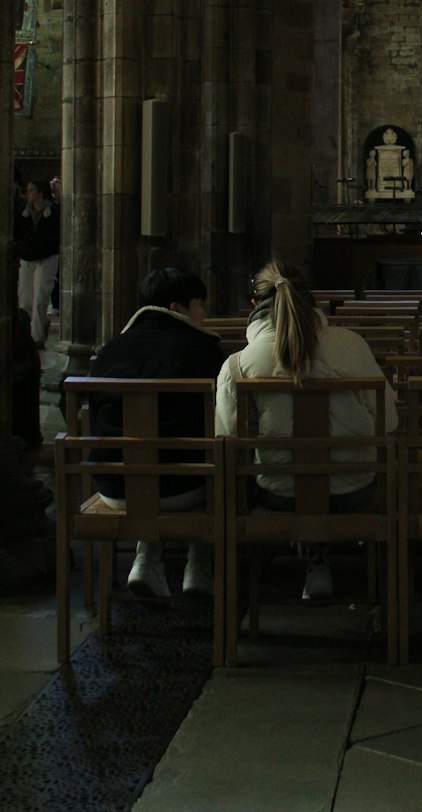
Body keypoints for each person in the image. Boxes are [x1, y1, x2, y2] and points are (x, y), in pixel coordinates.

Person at [215, 258, 398, 601]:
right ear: (310, 299)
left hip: (281, 495)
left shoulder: (239, 364)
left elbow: (226, 442)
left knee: (265, 475)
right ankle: (320, 562)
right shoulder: (351, 345)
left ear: (254, 305)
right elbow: (389, 422)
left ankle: (259, 589)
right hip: (354, 490)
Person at [89, 267, 225, 599]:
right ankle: (198, 565)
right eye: (200, 305)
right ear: (177, 309)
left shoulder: (109, 350)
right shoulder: (204, 350)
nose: (204, 314)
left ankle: (146, 559)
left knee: (147, 459)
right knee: (218, 457)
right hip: (183, 488)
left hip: (113, 485)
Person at [14, 178, 60, 348]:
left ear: (40, 192)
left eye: (32, 190)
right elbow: (17, 233)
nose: (28, 193)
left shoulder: (52, 212)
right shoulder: (23, 212)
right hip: (27, 258)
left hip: (46, 258)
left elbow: (56, 234)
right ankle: (26, 337)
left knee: (40, 297)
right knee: (25, 301)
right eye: (28, 190)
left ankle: (37, 339)